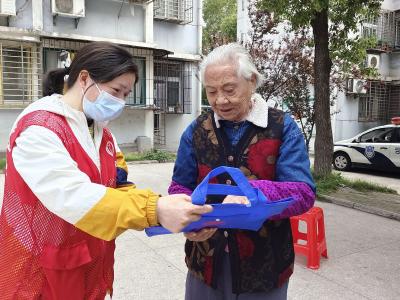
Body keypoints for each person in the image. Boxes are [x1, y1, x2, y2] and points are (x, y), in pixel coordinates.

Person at [0, 41, 212, 299]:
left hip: (87, 270)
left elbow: (119, 188)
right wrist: (154, 210)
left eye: (126, 94)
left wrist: (177, 216)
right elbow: (74, 196)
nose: (121, 102)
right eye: (117, 91)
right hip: (39, 277)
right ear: (85, 78)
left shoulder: (102, 136)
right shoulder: (39, 130)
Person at [168, 43, 316, 299]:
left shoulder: (282, 127)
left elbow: (303, 192)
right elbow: (180, 186)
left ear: (252, 82)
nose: (220, 100)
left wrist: (253, 194)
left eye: (229, 90)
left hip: (264, 266)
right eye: (211, 92)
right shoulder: (196, 131)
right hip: (205, 263)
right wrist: (185, 217)